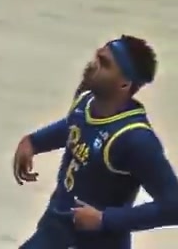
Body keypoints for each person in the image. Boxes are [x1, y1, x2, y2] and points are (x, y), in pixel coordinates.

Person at [12, 36, 178, 247]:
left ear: (124, 84)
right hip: (56, 229)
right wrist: (34, 142)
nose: (93, 65)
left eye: (104, 64)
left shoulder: (135, 139)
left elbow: (173, 207)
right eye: (97, 57)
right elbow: (75, 126)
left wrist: (105, 219)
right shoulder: (85, 100)